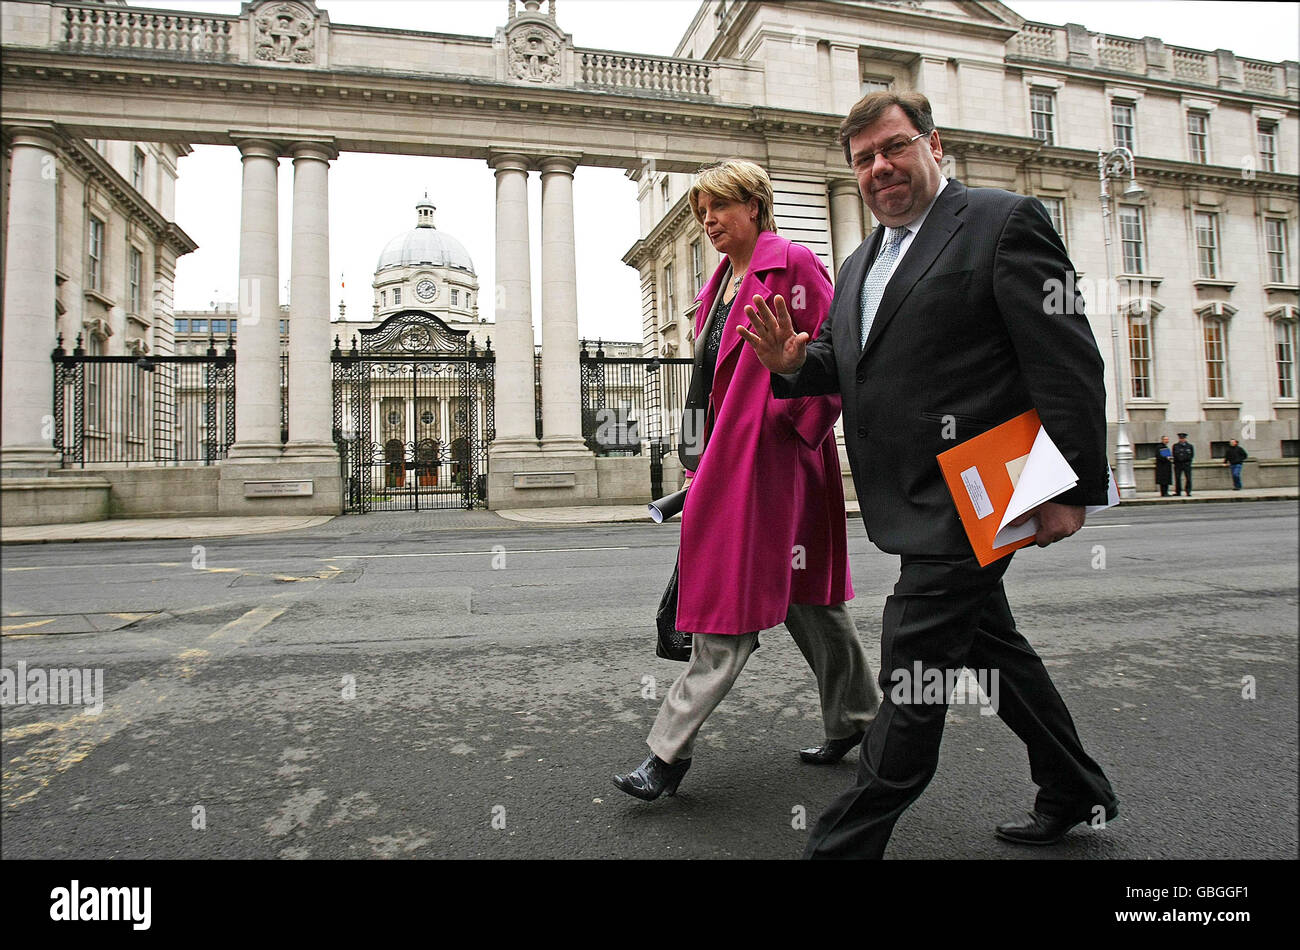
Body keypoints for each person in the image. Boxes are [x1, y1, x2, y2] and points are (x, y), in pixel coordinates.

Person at [738, 91, 1118, 858]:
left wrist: (1071, 486)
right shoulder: (859, 262)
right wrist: (793, 364)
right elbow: (856, 366)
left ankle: (843, 844)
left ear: (933, 145)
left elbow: (1068, 358)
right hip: (912, 498)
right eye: (865, 158)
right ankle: (1072, 784)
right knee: (990, 647)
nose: (881, 167)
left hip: (990, 482)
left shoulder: (1003, 221)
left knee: (911, 671)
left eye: (895, 147)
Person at [612, 160, 879, 801]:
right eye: (702, 212)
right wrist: (695, 453)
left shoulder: (794, 264)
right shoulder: (715, 289)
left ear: (754, 207)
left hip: (776, 465)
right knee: (808, 603)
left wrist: (793, 428)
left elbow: (838, 360)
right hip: (726, 462)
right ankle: (856, 720)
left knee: (731, 609)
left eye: (718, 208)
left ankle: (667, 755)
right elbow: (704, 382)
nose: (707, 221)